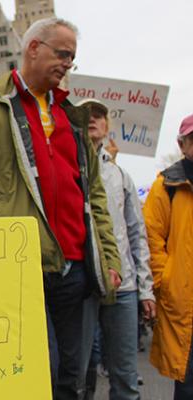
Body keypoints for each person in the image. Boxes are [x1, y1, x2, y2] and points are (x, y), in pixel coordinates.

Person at [0, 17, 121, 399]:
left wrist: (109, 257)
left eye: (72, 58)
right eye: (62, 53)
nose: (67, 64)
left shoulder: (72, 116)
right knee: (36, 373)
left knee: (74, 377)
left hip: (74, 267)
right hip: (17, 265)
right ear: (33, 48)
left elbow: (94, 195)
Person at [79, 98, 155, 400]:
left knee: (124, 378)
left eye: (99, 115)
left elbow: (137, 235)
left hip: (121, 286)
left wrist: (145, 289)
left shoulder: (120, 176)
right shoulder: (69, 168)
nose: (93, 119)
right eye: (87, 115)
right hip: (81, 286)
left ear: (108, 126)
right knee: (78, 377)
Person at [143, 113, 193, 400]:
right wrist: (165, 280)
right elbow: (151, 237)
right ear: (182, 144)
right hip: (183, 300)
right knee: (186, 382)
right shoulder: (165, 186)